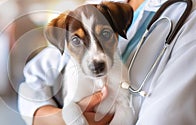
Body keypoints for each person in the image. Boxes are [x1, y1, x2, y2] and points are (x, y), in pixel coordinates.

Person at [18, 0, 196, 124]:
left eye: (105, 34)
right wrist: (46, 117)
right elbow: (33, 81)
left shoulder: (189, 20)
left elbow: (166, 118)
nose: (95, 57)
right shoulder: (92, 9)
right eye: (76, 41)